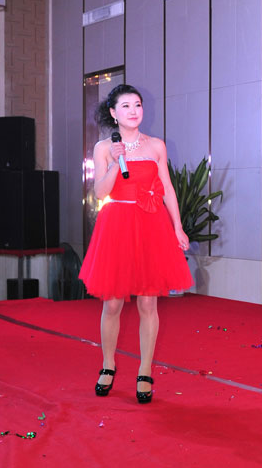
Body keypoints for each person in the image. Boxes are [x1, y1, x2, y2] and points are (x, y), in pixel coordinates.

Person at [79, 84, 193, 403]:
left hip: (151, 224)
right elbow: (100, 193)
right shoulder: (104, 147)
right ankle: (108, 364)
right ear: (113, 113)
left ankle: (145, 370)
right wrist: (116, 163)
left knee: (147, 303)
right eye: (126, 106)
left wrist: (178, 227)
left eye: (138, 104)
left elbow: (167, 187)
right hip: (117, 225)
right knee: (113, 303)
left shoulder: (156, 145)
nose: (133, 111)